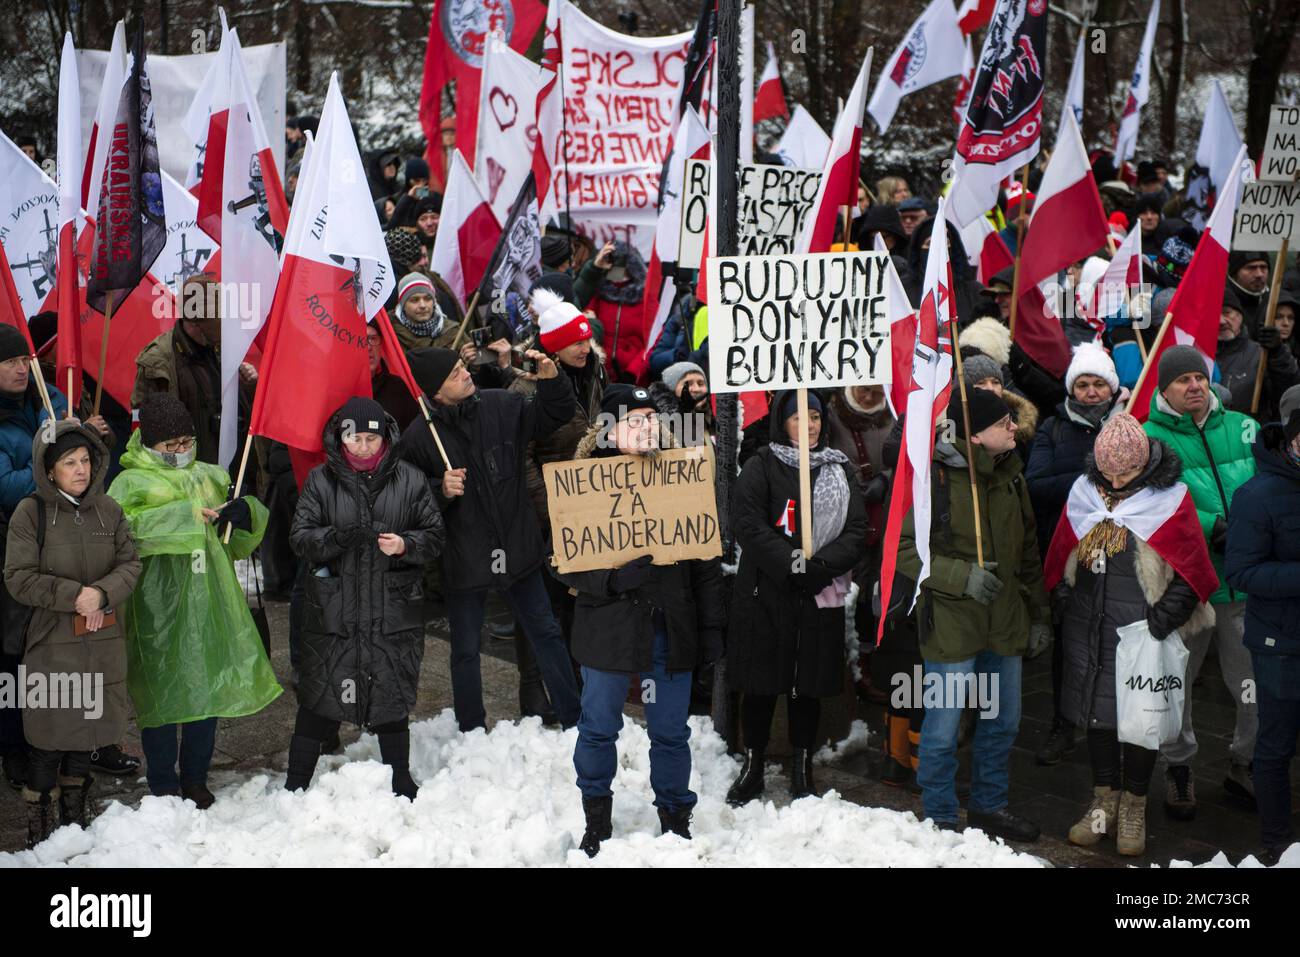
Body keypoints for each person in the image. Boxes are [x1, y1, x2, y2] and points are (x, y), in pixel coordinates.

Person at [555, 385, 723, 855]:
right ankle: (596, 818)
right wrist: (609, 580)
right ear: (609, 429)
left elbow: (705, 564)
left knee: (671, 731)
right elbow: (559, 558)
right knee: (598, 727)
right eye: (635, 419)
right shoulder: (582, 479)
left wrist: (710, 630)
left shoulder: (682, 476)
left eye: (652, 417)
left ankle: (675, 817)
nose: (647, 426)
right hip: (607, 629)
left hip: (670, 627)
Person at [1046, 415, 1215, 856]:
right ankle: (1104, 801)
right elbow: (1062, 545)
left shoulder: (1170, 499)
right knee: (1098, 717)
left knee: (1141, 720)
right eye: (1109, 472)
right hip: (1090, 625)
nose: (1116, 480)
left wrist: (1166, 617)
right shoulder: (1085, 492)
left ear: (1144, 465)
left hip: (1142, 628)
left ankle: (1135, 805)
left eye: (1126, 472)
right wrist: (1062, 594)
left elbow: (1194, 567)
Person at [108, 394, 282, 808]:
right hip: (157, 606)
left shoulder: (212, 475)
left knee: (209, 687)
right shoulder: (128, 481)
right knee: (162, 694)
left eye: (186, 442)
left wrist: (247, 514)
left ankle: (196, 778)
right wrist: (188, 515)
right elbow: (123, 532)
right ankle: (163, 782)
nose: (181, 451)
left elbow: (237, 542)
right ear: (148, 442)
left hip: (211, 600)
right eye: (171, 445)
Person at [400, 347, 581, 732]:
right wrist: (439, 490)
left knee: (546, 633)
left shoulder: (503, 405)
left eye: (462, 366)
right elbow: (405, 501)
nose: (465, 374)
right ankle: (471, 729)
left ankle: (574, 717)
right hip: (465, 559)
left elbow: (555, 415)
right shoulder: (418, 437)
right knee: (465, 648)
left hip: (518, 549)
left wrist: (553, 381)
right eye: (453, 374)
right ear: (434, 393)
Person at [897, 387, 1050, 841]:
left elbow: (1027, 552)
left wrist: (1038, 615)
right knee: (943, 729)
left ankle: (988, 806)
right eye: (1003, 423)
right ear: (977, 435)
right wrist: (961, 577)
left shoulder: (1012, 475)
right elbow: (905, 551)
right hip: (952, 622)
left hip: (1004, 621)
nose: (1013, 428)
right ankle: (941, 814)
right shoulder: (934, 478)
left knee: (1002, 722)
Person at [286, 397, 444, 799]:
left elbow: (435, 537)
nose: (362, 446)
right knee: (320, 693)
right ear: (340, 438)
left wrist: (406, 545)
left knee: (390, 693)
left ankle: (401, 777)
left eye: (370, 437)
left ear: (384, 437)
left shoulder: (410, 479)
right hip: (335, 612)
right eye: (353, 437)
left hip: (391, 612)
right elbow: (300, 538)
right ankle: (296, 781)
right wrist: (334, 540)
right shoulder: (321, 481)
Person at [725, 391, 867, 804]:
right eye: (798, 418)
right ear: (780, 423)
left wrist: (819, 568)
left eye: (815, 417)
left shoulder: (840, 469)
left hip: (817, 594)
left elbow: (857, 530)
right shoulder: (761, 465)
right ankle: (752, 766)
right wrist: (792, 565)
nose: (809, 426)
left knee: (806, 686)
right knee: (761, 682)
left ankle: (802, 768)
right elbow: (747, 523)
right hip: (766, 592)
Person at [3, 422, 140, 847]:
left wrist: (102, 594)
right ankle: (41, 827)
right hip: (51, 643)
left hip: (100, 642)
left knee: (88, 733)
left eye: (85, 460)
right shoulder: (31, 512)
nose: (80, 469)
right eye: (69, 462)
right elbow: (18, 577)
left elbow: (131, 564)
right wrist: (74, 595)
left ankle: (75, 818)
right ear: (49, 468)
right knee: (48, 739)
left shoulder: (108, 510)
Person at [1142, 345, 1258, 819]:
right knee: (1179, 684)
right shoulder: (1149, 438)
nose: (1194, 386)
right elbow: (1152, 501)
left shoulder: (1241, 426)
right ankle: (1179, 767)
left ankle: (1246, 761)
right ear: (1164, 388)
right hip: (1188, 583)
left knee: (1252, 681)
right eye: (1182, 379)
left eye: (1199, 377)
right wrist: (1212, 525)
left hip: (1246, 581)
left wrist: (1255, 525)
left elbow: (1268, 480)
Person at [1025, 342, 1128, 764]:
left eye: (1097, 384)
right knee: (1069, 644)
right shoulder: (1053, 428)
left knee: (1116, 644)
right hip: (1069, 552)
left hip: (1119, 553)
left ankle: (1117, 726)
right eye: (1081, 384)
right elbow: (1037, 486)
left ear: (1110, 388)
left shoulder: (1129, 425)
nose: (1089, 392)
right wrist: (1092, 473)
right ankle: (1063, 725)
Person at [507, 288, 606, 719]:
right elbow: (520, 453)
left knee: (575, 600)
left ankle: (574, 682)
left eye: (585, 339)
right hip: (546, 511)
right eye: (573, 341)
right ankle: (534, 689)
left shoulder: (596, 374)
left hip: (588, 504)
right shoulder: (527, 387)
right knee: (541, 605)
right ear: (552, 347)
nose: (583, 347)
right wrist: (549, 506)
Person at [1225, 385, 1300, 866]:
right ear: (1292, 438)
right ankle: (1276, 842)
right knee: (1276, 742)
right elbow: (1241, 573)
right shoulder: (1257, 494)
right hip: (1281, 642)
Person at [0, 325, 73, 789]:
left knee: (57, 649)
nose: (19, 369)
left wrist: (76, 434)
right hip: (10, 550)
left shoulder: (50, 401)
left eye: (23, 360)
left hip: (60, 544)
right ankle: (12, 748)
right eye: (7, 362)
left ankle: (63, 740)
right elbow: (6, 487)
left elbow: (78, 456)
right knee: (11, 654)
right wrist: (49, 464)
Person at [132, 273, 256, 466]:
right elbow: (143, 431)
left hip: (232, 465)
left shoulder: (219, 347)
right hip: (187, 474)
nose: (223, 329)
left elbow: (244, 409)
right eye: (217, 323)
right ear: (194, 323)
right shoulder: (158, 361)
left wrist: (248, 385)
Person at [1215, 287, 1299, 419]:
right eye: (1213, 314)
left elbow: (1288, 391)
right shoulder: (1196, 355)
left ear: (1240, 316)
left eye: (1227, 313)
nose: (1221, 321)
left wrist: (1278, 353)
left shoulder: (1261, 355)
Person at [391, 273, 456, 353]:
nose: (423, 305)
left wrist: (467, 360)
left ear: (434, 302)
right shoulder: (390, 335)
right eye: (414, 300)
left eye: (428, 298)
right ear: (403, 305)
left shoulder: (453, 331)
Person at [1227, 250, 1270, 334]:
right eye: (1251, 268)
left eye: (1263, 267)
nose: (1259, 274)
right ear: (1235, 273)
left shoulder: (1278, 301)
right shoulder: (1219, 303)